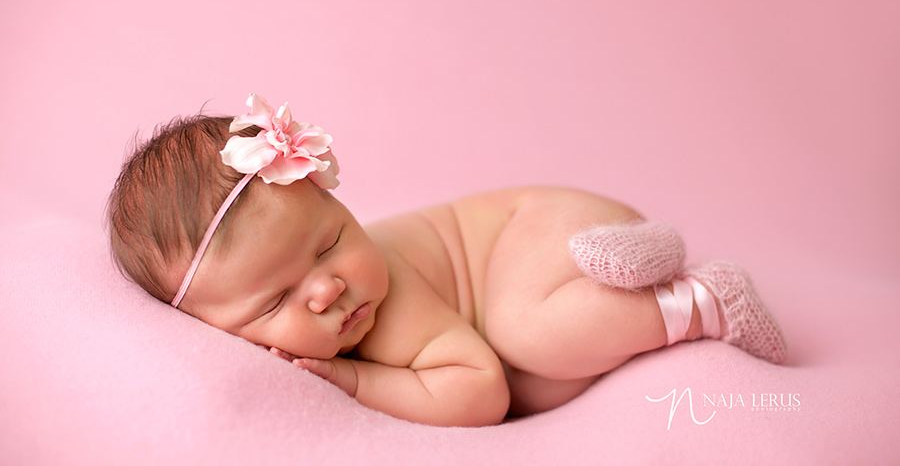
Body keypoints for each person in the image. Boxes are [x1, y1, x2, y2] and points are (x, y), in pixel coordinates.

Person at [106, 93, 787, 427]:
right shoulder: (332, 305)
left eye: (330, 242)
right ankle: (638, 260)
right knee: (545, 381)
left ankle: (698, 299)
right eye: (276, 302)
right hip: (546, 250)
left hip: (544, 228)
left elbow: (480, 394)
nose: (328, 289)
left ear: (336, 202)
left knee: (528, 337)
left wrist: (355, 385)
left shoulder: (386, 306)